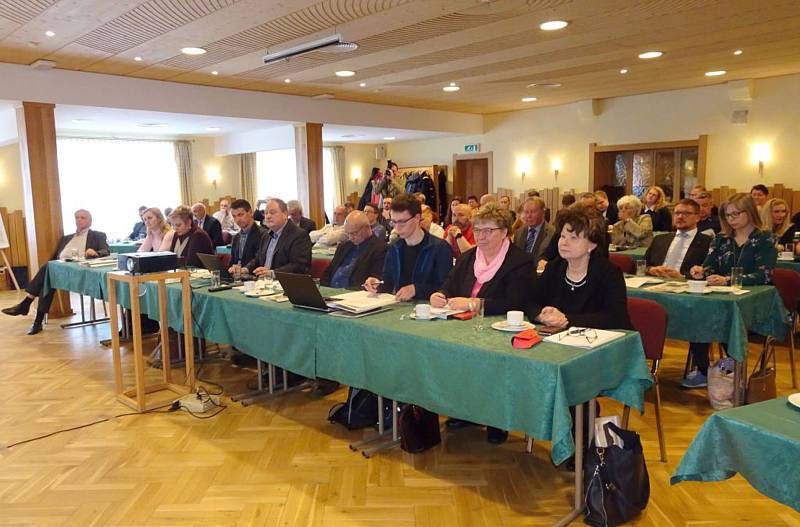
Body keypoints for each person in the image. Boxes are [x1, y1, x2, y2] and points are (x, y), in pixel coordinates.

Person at [431, 203, 535, 444]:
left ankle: (496, 419)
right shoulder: (469, 257)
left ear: (504, 232)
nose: (481, 236)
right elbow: (450, 285)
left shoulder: (520, 261)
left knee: (489, 364)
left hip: (500, 330)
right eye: (478, 230)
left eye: (489, 230)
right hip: (463, 326)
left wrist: (475, 303)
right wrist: (440, 294)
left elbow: (517, 302)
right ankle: (466, 410)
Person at [685, 193, 777, 388]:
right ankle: (704, 370)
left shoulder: (765, 239)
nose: (731, 219)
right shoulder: (721, 239)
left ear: (750, 212)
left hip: (753, 301)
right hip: (722, 299)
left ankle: (732, 372)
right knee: (696, 317)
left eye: (736, 214)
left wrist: (727, 280)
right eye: (728, 215)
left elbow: (764, 275)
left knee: (727, 322)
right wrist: (701, 271)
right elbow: (709, 265)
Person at [2, 209, 109, 335]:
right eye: (77, 217)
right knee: (48, 274)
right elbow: (54, 257)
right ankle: (33, 317)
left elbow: (106, 251)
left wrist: (96, 253)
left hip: (79, 271)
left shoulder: (98, 235)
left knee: (47, 274)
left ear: (90, 221)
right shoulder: (66, 238)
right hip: (61, 268)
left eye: (82, 218)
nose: (78, 220)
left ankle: (29, 309)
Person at [527, 207, 632, 331]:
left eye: (573, 238)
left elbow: (615, 317)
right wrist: (541, 316)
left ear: (592, 245)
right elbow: (530, 300)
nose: (564, 243)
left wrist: (566, 319)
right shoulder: (554, 268)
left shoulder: (609, 273)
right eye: (562, 236)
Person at [364, 194, 452, 301]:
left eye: (402, 222)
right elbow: (388, 281)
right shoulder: (394, 247)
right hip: (400, 307)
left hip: (428, 309)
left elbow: (446, 288)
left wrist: (416, 289)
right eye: (394, 222)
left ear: (417, 218)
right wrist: (377, 284)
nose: (397, 228)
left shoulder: (440, 248)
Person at [645, 199, 712, 278]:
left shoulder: (708, 243)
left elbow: (710, 271)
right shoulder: (659, 239)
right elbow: (643, 264)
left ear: (697, 217)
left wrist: (682, 277)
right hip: (655, 282)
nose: (680, 217)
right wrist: (651, 269)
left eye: (686, 214)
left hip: (687, 285)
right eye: (677, 213)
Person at [321, 211, 387, 289]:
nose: (350, 237)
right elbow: (328, 273)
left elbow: (373, 282)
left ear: (367, 227)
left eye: (354, 233)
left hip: (352, 294)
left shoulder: (380, 248)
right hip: (330, 293)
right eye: (348, 233)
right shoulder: (344, 246)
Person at [247, 198, 312, 277]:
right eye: (266, 213)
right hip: (263, 283)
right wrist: (246, 269)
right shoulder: (266, 235)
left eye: (272, 212)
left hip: (284, 284)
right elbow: (258, 259)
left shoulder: (299, 235)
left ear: (285, 214)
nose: (268, 216)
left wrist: (272, 273)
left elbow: (299, 266)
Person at [227, 199, 266, 274]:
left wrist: (245, 269)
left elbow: (259, 259)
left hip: (253, 276)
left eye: (240, 215)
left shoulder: (262, 234)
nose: (237, 220)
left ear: (250, 212)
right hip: (237, 277)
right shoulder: (236, 237)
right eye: (234, 216)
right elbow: (232, 261)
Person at [512, 197, 554, 267]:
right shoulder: (518, 233)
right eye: (526, 212)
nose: (529, 216)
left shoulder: (552, 233)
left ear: (543, 212)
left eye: (533, 212)